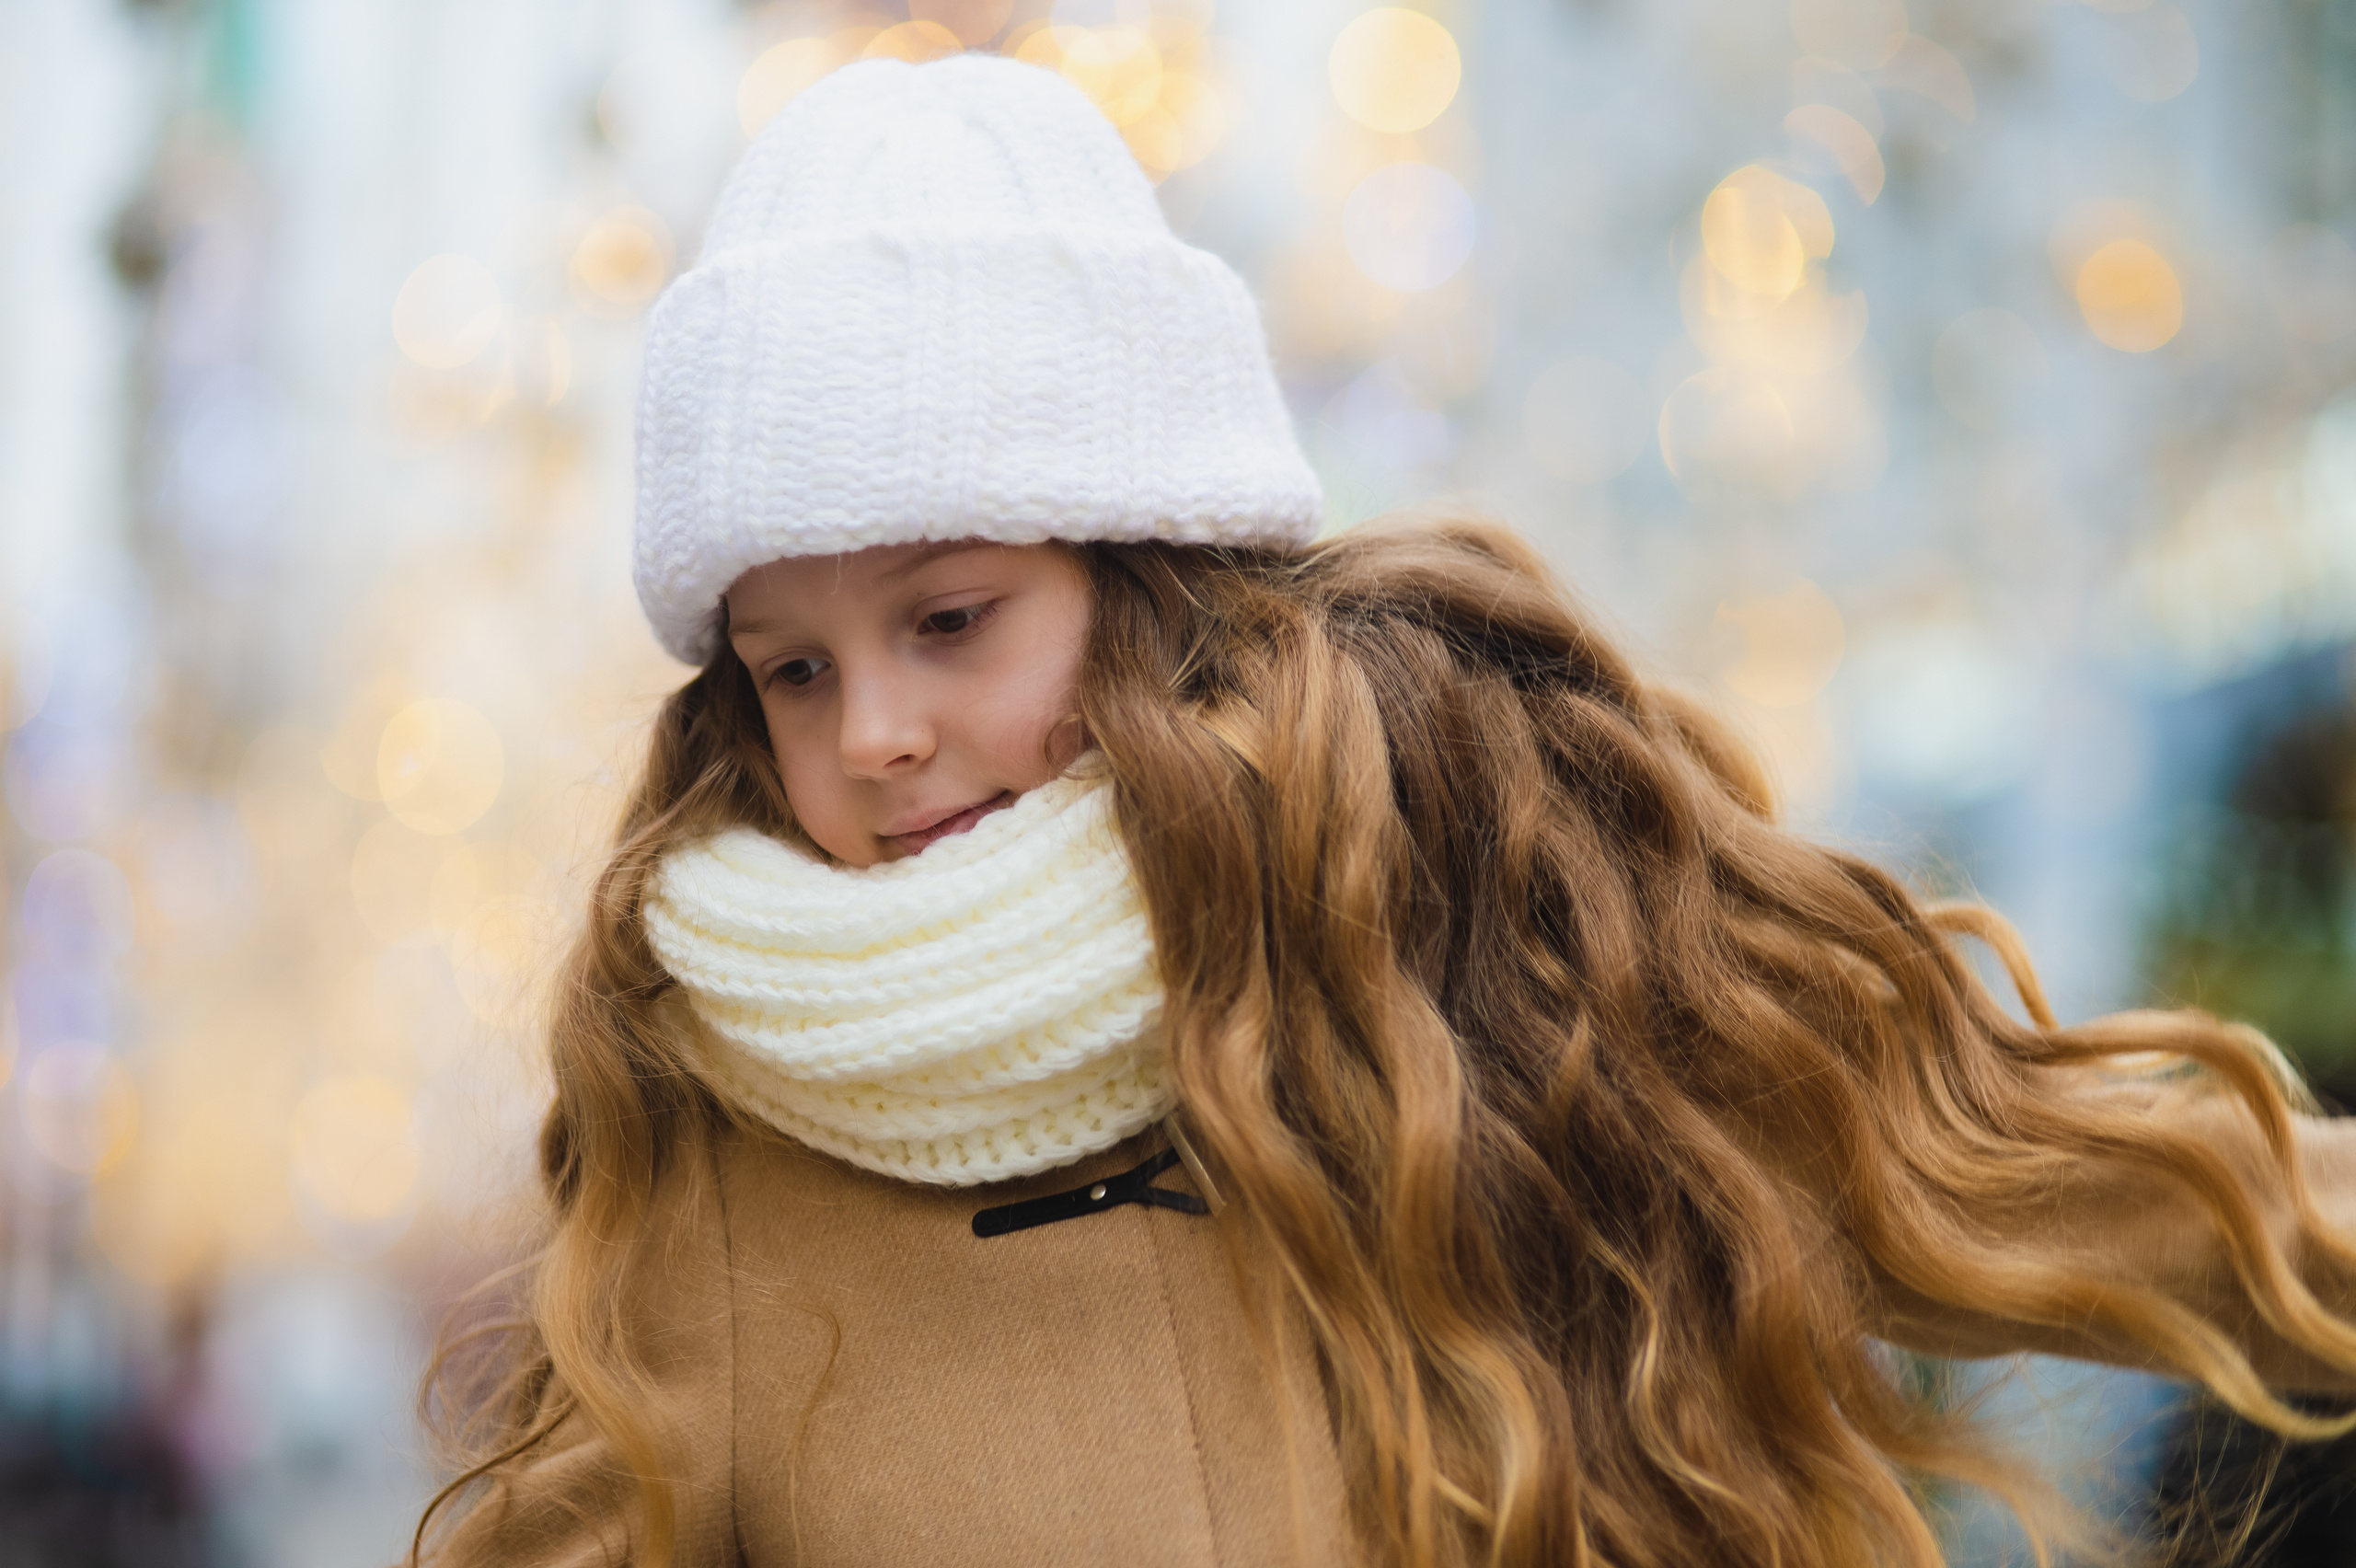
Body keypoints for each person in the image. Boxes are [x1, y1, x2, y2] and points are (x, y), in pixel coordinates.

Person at [411, 52, 2356, 1568]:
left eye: (948, 620)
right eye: (794, 666)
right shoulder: (718, 1155)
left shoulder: (1480, 930)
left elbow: (2001, 1168)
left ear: (1142, 571)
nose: (877, 734)